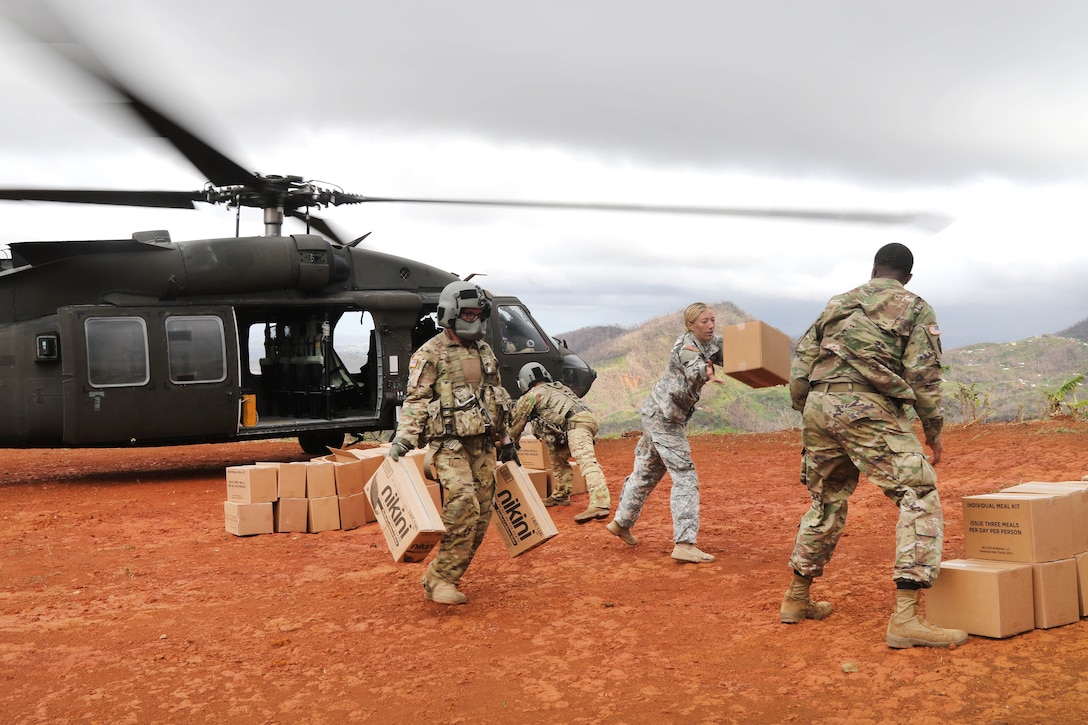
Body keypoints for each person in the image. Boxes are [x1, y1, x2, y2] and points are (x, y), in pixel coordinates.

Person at [781, 242, 968, 649]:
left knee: (826, 500)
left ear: (874, 269)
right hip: (865, 406)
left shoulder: (838, 302)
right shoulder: (916, 306)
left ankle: (796, 599)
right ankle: (905, 620)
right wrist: (933, 429)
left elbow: (801, 362)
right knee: (918, 493)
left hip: (818, 403)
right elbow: (923, 376)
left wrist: (811, 410)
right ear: (908, 276)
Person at [387, 280, 518, 605]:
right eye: (469, 314)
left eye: (479, 314)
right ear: (451, 314)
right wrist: (403, 439)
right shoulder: (430, 353)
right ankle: (441, 578)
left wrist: (506, 439)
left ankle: (445, 576)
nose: (475, 320)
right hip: (449, 445)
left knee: (483, 513)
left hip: (483, 445)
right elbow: (416, 400)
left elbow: (496, 397)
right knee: (463, 504)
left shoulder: (485, 352)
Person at [606, 302, 725, 563]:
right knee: (685, 475)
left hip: (659, 414)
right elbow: (694, 368)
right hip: (663, 419)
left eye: (712, 320)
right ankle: (684, 543)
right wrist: (707, 371)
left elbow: (735, 351)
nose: (710, 325)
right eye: (704, 321)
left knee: (647, 471)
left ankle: (621, 522)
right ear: (690, 324)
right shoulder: (686, 346)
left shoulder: (711, 343)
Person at [509, 362, 611, 523]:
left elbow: (516, 424)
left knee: (585, 460)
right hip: (580, 421)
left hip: (576, 424)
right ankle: (560, 495)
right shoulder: (557, 387)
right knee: (556, 455)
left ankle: (600, 502)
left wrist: (509, 444)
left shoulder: (532, 395)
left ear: (524, 381)